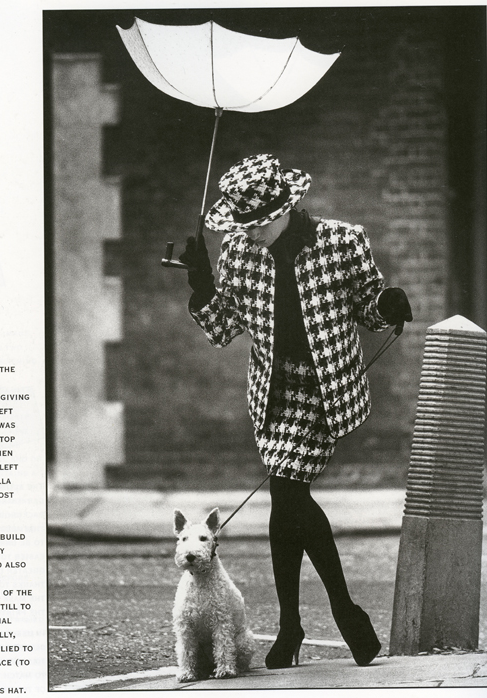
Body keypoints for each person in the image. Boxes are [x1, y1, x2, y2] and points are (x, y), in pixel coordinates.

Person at [179, 153, 412, 669]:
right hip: (272, 392)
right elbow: (223, 328)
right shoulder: (240, 251)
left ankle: (332, 615)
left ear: (286, 208)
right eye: (243, 224)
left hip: (324, 390)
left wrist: (387, 304)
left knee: (287, 493)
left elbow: (366, 307)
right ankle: (299, 624)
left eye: (258, 223)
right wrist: (202, 285)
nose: (249, 233)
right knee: (286, 501)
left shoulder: (342, 242)